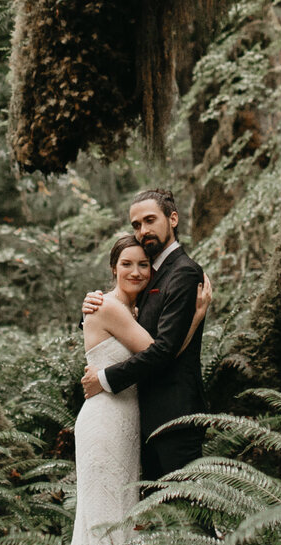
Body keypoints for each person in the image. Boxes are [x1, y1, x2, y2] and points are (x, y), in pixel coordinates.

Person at [71, 219, 211, 545]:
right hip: (106, 420)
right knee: (105, 512)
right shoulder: (110, 307)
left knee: (121, 511)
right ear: (113, 268)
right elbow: (159, 355)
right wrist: (196, 318)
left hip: (127, 420)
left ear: (153, 270)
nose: (135, 271)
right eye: (127, 264)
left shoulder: (134, 309)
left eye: (143, 265)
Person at [79, 188, 210, 481]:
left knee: (189, 513)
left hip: (176, 413)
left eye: (150, 220)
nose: (143, 230)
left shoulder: (184, 273)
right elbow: (124, 312)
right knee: (159, 518)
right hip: (143, 415)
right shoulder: (150, 271)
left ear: (172, 218)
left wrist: (104, 379)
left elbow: (163, 349)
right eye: (136, 225)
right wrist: (90, 310)